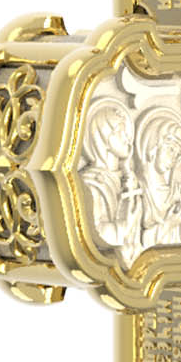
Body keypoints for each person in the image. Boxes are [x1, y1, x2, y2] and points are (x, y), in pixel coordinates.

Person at [79, 99, 142, 263]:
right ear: (103, 137)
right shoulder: (91, 183)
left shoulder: (128, 178)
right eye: (120, 131)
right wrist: (125, 224)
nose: (127, 138)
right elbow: (97, 235)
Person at [135, 106, 181, 249]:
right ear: (153, 144)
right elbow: (139, 242)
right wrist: (169, 224)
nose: (173, 158)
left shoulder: (177, 191)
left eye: (178, 154)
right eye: (170, 149)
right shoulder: (137, 189)